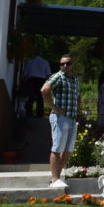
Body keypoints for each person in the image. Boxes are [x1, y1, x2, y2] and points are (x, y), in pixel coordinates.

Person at [40, 54, 80, 188]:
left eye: (68, 63)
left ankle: (56, 178)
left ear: (72, 64)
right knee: (57, 148)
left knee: (68, 149)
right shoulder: (58, 76)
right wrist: (54, 107)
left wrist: (78, 111)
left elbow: (77, 96)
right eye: (62, 64)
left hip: (72, 118)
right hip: (60, 118)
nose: (65, 66)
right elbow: (45, 90)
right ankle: (54, 178)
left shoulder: (75, 79)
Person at [22, 51, 51, 117]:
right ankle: (39, 115)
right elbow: (48, 74)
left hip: (31, 80)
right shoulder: (45, 62)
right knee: (40, 99)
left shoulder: (30, 62)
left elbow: (25, 75)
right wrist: (47, 83)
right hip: (41, 81)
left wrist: (24, 82)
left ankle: (28, 114)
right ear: (41, 54)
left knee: (30, 97)